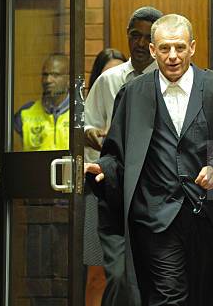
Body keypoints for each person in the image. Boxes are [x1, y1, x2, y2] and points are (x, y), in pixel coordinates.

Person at [85, 14, 213, 306]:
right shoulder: (133, 95)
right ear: (153, 50)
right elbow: (119, 153)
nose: (172, 56)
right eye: (164, 48)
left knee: (211, 296)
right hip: (156, 220)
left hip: (211, 218)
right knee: (168, 296)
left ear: (192, 47)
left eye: (179, 47)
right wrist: (105, 169)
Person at [84, 7, 163, 306]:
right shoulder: (109, 80)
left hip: (152, 191)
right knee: (103, 273)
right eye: (135, 36)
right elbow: (86, 125)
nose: (141, 44)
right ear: (127, 37)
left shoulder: (168, 81)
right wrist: (91, 133)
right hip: (108, 189)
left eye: (148, 37)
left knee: (150, 272)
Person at [85, 48, 127, 306]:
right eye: (106, 74)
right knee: (97, 274)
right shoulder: (93, 108)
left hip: (131, 190)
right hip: (97, 191)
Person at [14, 54, 70, 151]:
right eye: (45, 75)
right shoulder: (25, 113)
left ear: (69, 79)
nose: (48, 80)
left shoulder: (81, 114)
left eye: (55, 75)